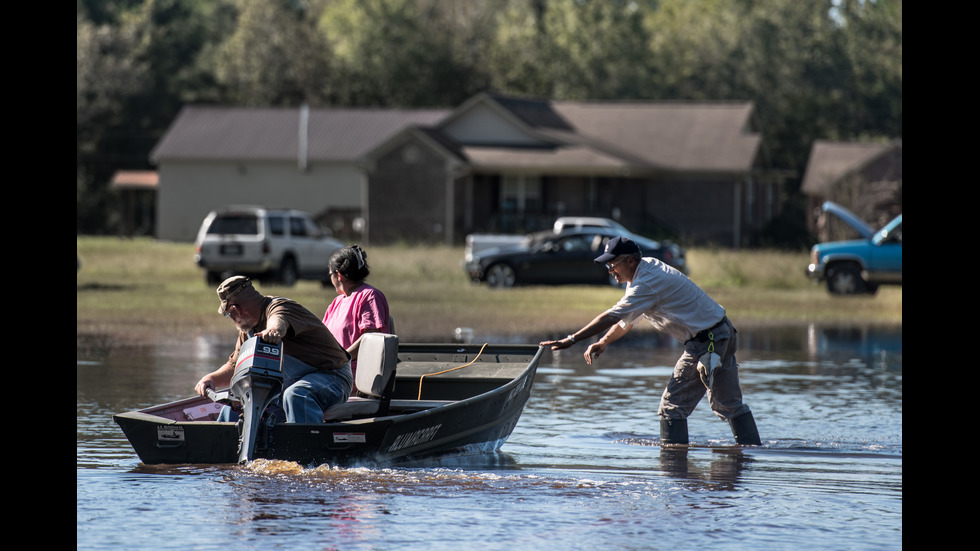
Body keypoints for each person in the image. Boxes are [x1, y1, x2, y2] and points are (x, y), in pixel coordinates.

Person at [539, 236, 761, 446]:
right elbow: (627, 320)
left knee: (671, 408)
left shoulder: (646, 282)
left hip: (707, 342)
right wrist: (604, 342)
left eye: (613, 264)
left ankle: (675, 471)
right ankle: (750, 456)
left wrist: (572, 338)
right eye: (607, 265)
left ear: (631, 260)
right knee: (729, 405)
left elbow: (612, 316)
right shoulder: (646, 269)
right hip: (723, 332)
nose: (610, 270)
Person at [194, 276, 353, 423]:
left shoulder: (280, 307)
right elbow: (235, 367)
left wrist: (273, 331)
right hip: (286, 386)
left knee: (297, 395)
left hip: (334, 377)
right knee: (236, 406)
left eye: (229, 314)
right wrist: (211, 379)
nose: (232, 319)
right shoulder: (247, 330)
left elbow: (278, 322)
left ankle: (306, 451)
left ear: (236, 310)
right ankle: (226, 450)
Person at [322, 245, 392, 386]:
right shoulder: (336, 303)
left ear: (339, 275)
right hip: (331, 373)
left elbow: (370, 339)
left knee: (298, 394)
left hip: (352, 377)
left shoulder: (369, 296)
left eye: (330, 275)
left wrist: (341, 359)